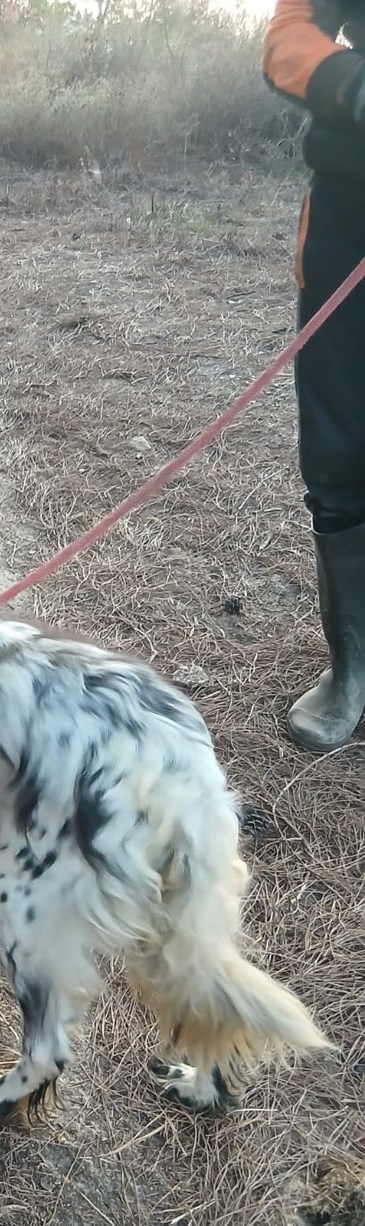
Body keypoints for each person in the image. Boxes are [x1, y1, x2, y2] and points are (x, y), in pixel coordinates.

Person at [263, 0, 365, 751]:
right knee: (337, 448)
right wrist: (354, 84)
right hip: (349, 215)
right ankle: (352, 666)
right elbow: (286, 39)